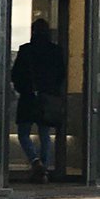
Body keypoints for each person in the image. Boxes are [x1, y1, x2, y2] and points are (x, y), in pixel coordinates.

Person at [10, 16, 65, 183]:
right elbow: (61, 74)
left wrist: (23, 89)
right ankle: (44, 167)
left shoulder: (26, 50)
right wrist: (52, 91)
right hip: (47, 97)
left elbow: (16, 74)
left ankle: (35, 162)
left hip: (28, 97)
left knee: (24, 133)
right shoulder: (55, 51)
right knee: (45, 134)